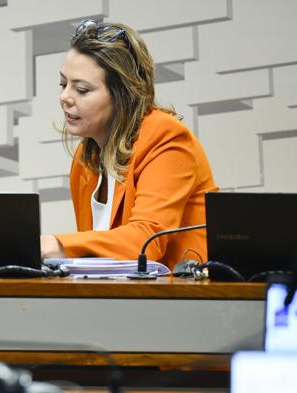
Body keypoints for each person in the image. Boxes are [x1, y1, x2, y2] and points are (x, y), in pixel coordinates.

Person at [40, 19, 217, 269]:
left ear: (122, 94)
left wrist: (56, 244)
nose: (64, 97)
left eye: (81, 89)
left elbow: (147, 241)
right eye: (63, 84)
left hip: (182, 290)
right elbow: (99, 254)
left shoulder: (167, 137)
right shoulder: (85, 157)